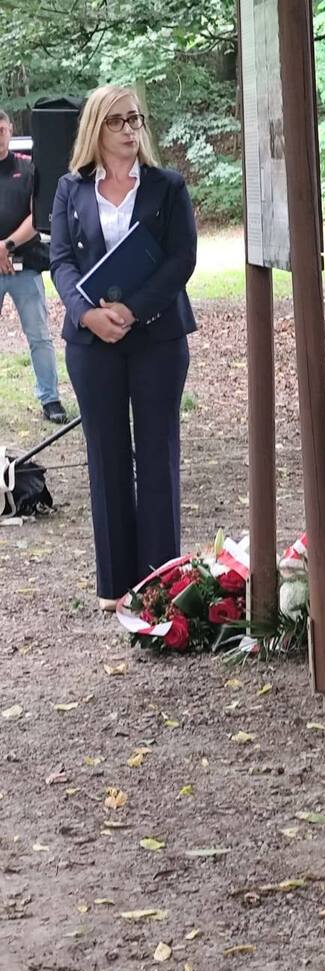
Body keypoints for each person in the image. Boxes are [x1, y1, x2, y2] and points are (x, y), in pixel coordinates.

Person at [50, 85, 197, 611]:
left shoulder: (168, 186)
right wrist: (87, 314)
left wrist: (132, 311)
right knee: (106, 456)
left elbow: (181, 259)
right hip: (91, 343)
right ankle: (115, 587)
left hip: (157, 337)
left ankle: (160, 582)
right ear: (97, 128)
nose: (130, 129)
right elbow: (61, 261)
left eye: (135, 119)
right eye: (118, 121)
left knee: (158, 455)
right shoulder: (70, 189)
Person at [0, 110, 68, 424]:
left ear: (10, 130)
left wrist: (6, 246)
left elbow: (37, 216)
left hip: (25, 265)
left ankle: (50, 399)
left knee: (39, 336)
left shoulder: (29, 169)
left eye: (1, 130)